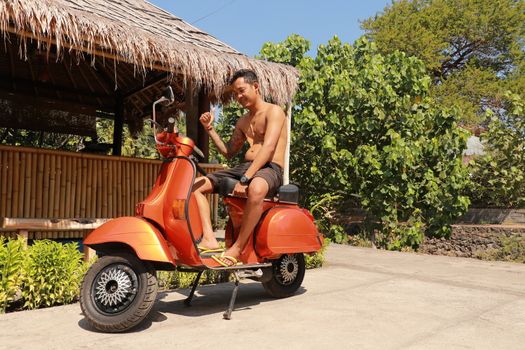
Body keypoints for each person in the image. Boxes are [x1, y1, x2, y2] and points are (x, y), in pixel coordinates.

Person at [192, 69, 287, 266]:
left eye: (241, 91)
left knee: (256, 188)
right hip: (245, 167)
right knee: (195, 186)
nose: (238, 96)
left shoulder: (274, 111)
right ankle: (209, 238)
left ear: (256, 86)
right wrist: (210, 129)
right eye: (235, 93)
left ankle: (237, 248)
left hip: (270, 167)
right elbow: (228, 151)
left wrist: (246, 178)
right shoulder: (243, 121)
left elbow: (268, 148)